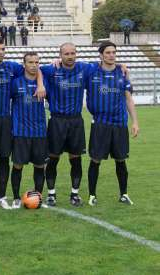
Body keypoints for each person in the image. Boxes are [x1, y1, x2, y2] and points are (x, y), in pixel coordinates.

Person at [0, 37, 46, 211]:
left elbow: (35, 69)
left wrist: (39, 83)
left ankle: (1, 197)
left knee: (3, 160)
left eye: (3, 49)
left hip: (5, 120)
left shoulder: (11, 67)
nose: (0, 52)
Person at [40, 43, 94, 207]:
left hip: (76, 121)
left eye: (73, 53)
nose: (70, 56)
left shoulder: (84, 69)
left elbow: (105, 64)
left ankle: (75, 194)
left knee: (75, 160)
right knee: (53, 159)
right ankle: (51, 194)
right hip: (56, 120)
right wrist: (43, 80)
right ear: (60, 55)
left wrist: (121, 65)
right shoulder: (50, 70)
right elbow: (34, 69)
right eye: (66, 54)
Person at [85, 41, 139, 206]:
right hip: (100, 123)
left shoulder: (122, 73)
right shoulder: (91, 71)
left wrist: (135, 122)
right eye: (108, 52)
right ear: (101, 55)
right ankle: (92, 195)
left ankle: (124, 194)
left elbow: (129, 99)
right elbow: (72, 65)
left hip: (119, 124)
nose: (111, 55)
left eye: (113, 52)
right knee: (95, 160)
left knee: (121, 160)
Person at [10, 52, 48, 209]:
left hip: (39, 132)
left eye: (36, 62)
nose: (34, 65)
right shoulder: (15, 83)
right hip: (20, 132)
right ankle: (16, 198)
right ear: (24, 64)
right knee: (18, 165)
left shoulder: (44, 82)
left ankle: (38, 196)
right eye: (30, 62)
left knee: (40, 166)